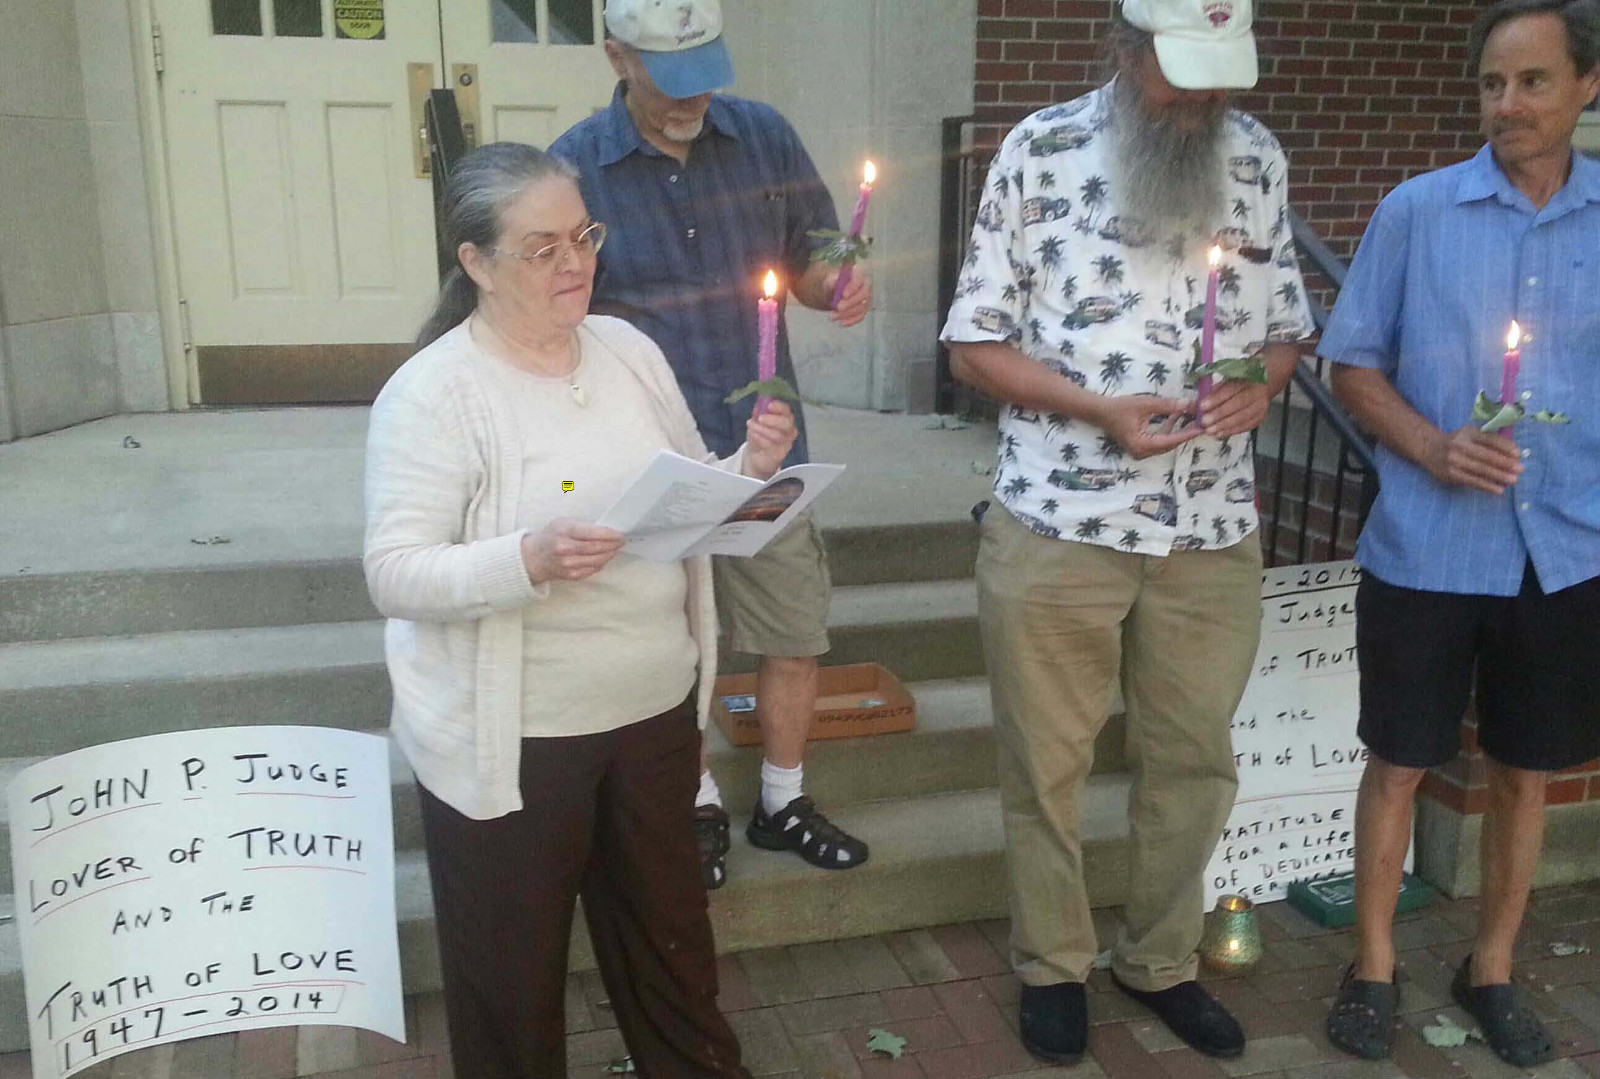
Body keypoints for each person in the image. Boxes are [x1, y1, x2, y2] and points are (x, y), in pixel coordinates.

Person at [364, 141, 798, 1078]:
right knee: (511, 980)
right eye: (542, 247)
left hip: (652, 712)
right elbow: (394, 572)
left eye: (584, 236)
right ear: (476, 263)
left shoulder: (628, 351)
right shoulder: (433, 393)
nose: (575, 263)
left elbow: (688, 489)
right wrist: (525, 558)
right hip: (519, 741)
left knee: (671, 953)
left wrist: (751, 471)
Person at [940, 0, 1314, 1064]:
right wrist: (1096, 408)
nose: (1202, 98)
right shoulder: (1040, 148)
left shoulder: (1255, 155)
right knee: (1046, 761)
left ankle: (1159, 958)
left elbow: (1283, 329)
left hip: (1210, 525)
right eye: (1181, 72)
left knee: (1193, 757)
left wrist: (1260, 385)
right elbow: (973, 343)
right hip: (1058, 518)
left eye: (1220, 74)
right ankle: (1051, 964)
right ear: (1128, 44)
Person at [1317, 0, 1600, 1066]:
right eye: (1491, 83)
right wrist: (1434, 448)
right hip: (1427, 547)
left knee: (1525, 771)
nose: (1507, 104)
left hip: (1566, 551)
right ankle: (1373, 963)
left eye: (1532, 81)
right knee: (1397, 760)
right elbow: (1352, 364)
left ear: (1587, 86)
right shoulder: (1416, 212)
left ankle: (1490, 967)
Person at [550, 0, 874, 891]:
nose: (693, 98)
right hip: (654, 460)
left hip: (769, 448)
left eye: (705, 73)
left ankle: (782, 801)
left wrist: (836, 285)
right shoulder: (573, 168)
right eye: (670, 78)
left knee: (793, 631)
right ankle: (692, 803)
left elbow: (811, 260)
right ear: (617, 57)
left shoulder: (764, 136)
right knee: (677, 650)